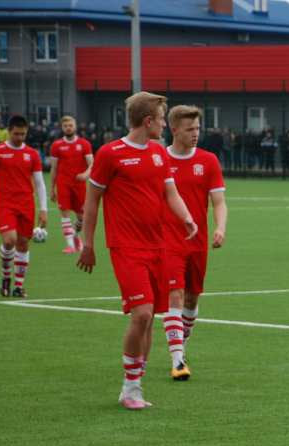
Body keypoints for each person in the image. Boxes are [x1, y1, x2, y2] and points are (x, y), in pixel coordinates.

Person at [77, 91, 198, 410]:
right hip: (126, 247)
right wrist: (87, 244)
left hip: (158, 246)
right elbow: (91, 204)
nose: (164, 124)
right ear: (148, 121)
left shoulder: (159, 154)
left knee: (148, 319)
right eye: (161, 119)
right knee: (141, 314)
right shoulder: (110, 154)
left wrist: (186, 217)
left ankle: (135, 386)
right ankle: (130, 387)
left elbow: (169, 192)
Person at [161, 105, 228, 381]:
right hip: (167, 241)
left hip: (197, 242)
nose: (195, 134)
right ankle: (177, 360)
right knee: (174, 295)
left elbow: (219, 201)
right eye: (190, 129)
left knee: (191, 298)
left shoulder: (209, 160)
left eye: (198, 128)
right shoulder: (159, 159)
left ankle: (182, 342)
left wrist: (220, 227)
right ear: (174, 129)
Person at [0, 115, 48, 298]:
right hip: (6, 204)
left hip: (26, 204)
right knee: (9, 241)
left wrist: (44, 209)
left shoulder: (32, 154)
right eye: (16, 134)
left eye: (23, 134)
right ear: (9, 131)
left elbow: (39, 183)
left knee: (23, 244)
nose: (20, 138)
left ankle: (18, 286)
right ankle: (5, 277)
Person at [49, 115, 93, 254]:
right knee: (65, 214)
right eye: (65, 126)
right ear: (62, 128)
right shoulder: (56, 145)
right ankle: (70, 246)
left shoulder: (84, 144)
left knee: (81, 216)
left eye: (71, 125)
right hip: (63, 184)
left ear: (75, 126)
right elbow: (54, 168)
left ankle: (75, 236)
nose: (68, 128)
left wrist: (85, 174)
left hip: (79, 186)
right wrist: (52, 188)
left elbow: (92, 164)